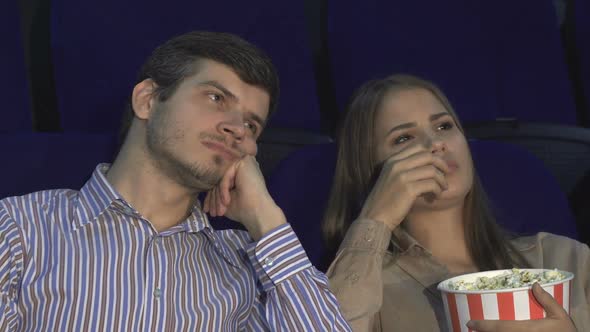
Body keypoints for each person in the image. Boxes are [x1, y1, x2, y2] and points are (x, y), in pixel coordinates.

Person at [0, 31, 351, 331]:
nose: (236, 129)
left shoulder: (248, 262)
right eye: (216, 98)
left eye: (252, 125)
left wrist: (266, 217)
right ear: (148, 100)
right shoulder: (19, 228)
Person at [323, 74, 590, 331]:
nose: (436, 143)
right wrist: (375, 216)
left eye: (444, 126)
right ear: (370, 171)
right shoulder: (368, 288)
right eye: (404, 138)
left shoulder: (564, 258)